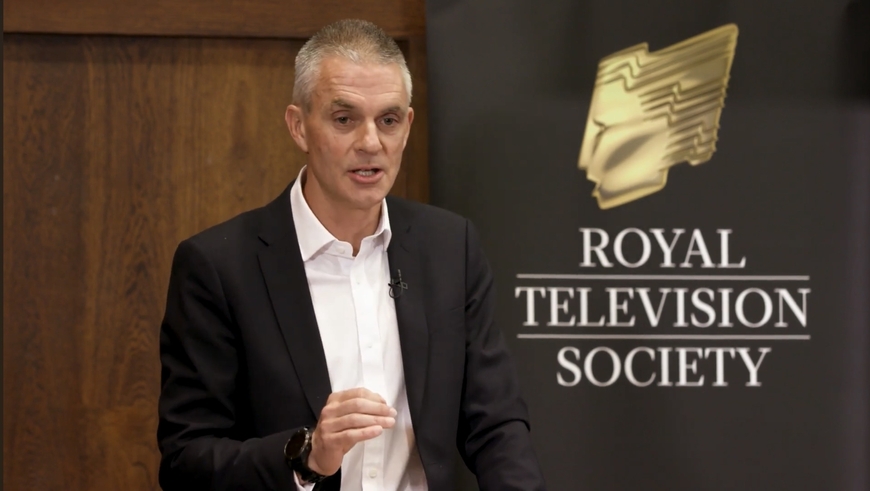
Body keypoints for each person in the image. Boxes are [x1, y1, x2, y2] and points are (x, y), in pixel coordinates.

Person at [156, 18, 546, 491]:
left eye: (388, 120)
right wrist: (305, 456)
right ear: (298, 126)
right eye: (344, 119)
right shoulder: (219, 267)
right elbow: (187, 461)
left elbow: (496, 423)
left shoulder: (450, 247)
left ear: (408, 126)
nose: (370, 143)